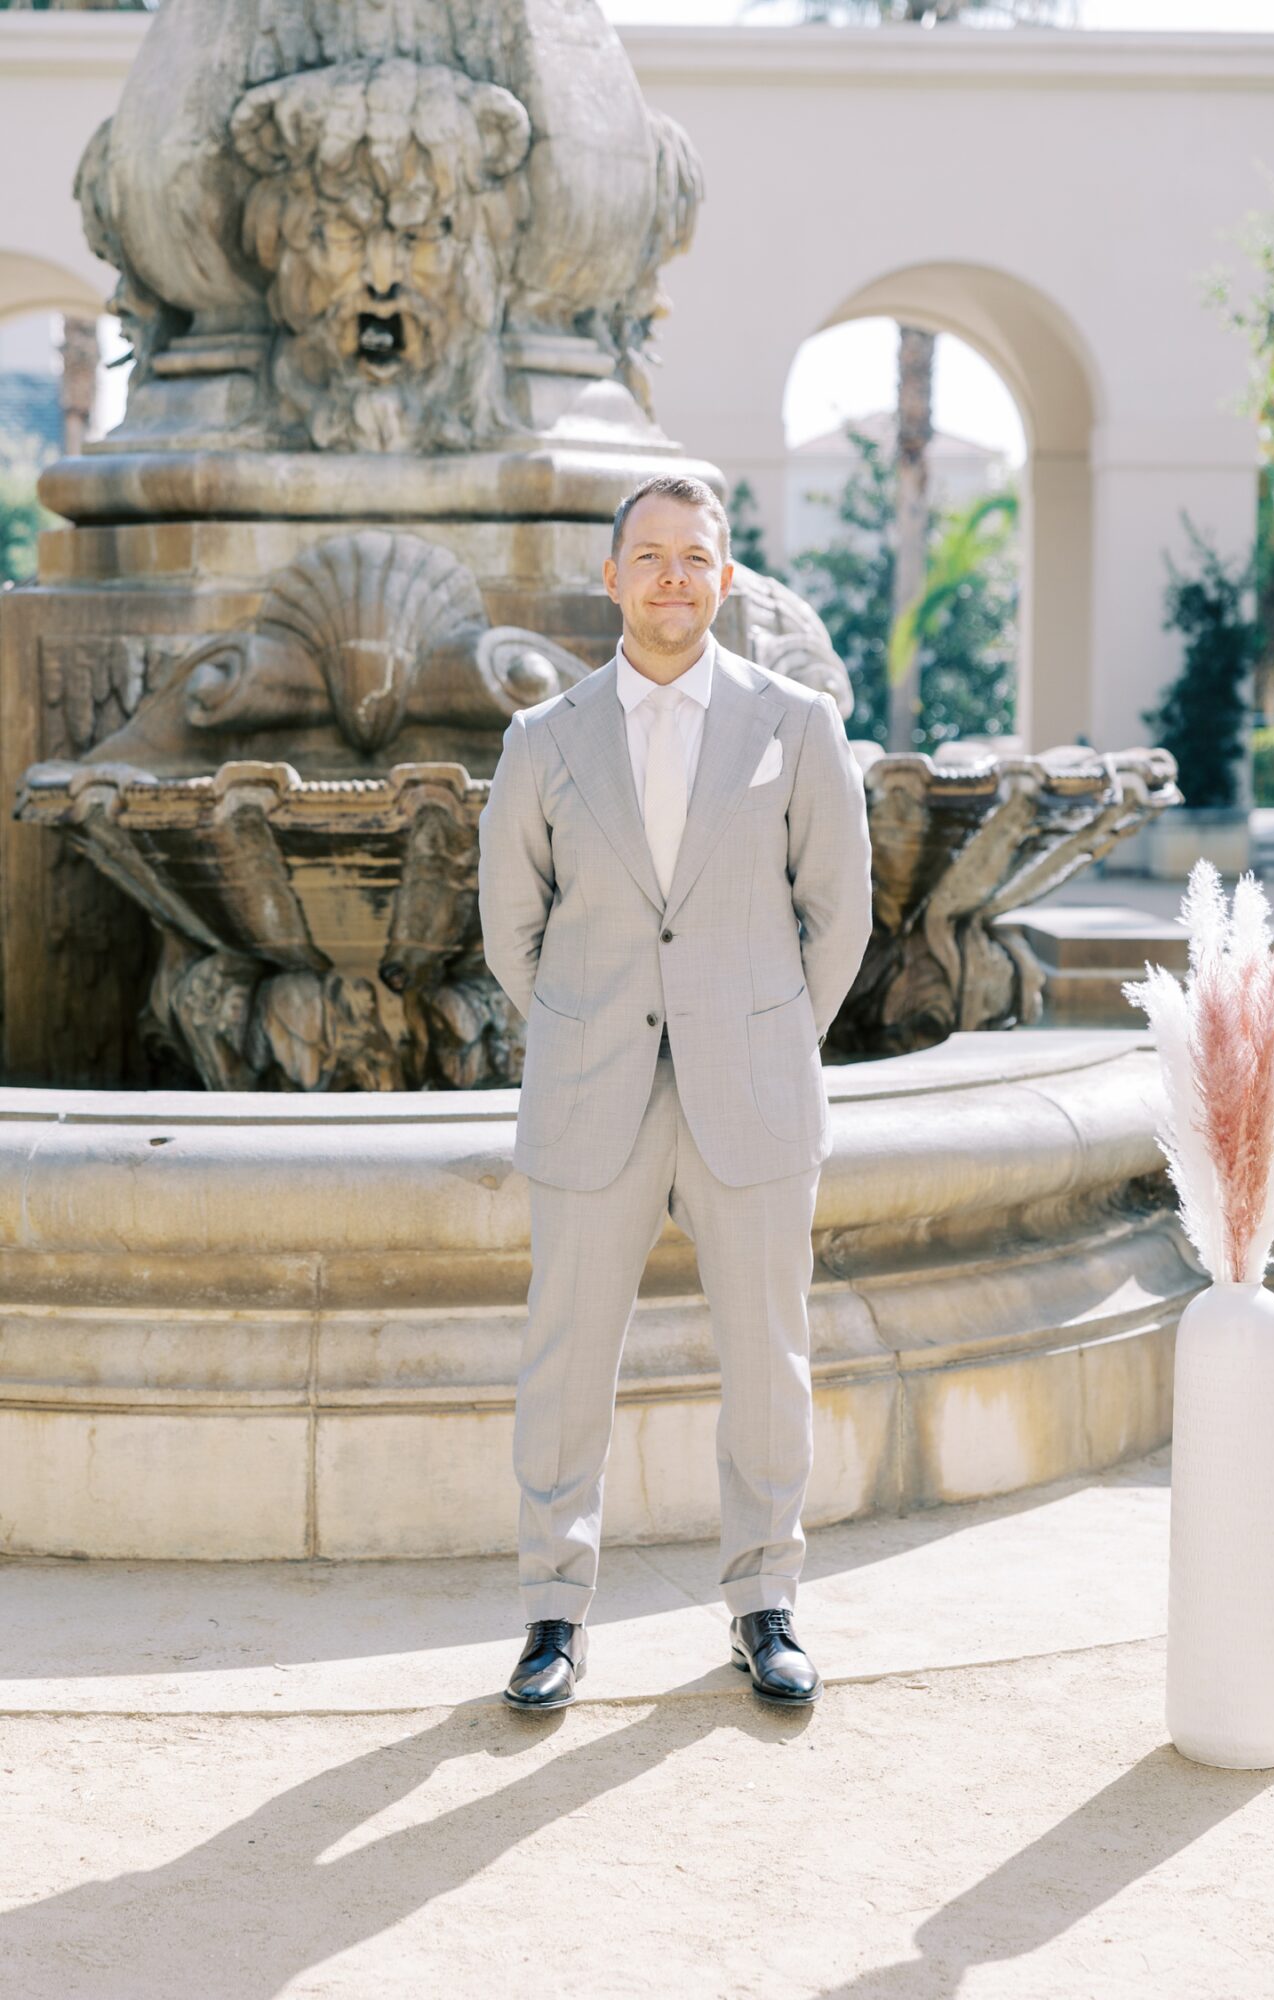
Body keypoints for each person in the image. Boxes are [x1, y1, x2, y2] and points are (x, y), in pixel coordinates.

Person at [477, 473, 873, 1710]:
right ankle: (553, 1612)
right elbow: (511, 933)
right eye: (646, 557)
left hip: (750, 1086)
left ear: (726, 577)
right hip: (592, 1086)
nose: (669, 578)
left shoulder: (795, 724)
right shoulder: (540, 740)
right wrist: (588, 1022)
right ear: (611, 579)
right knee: (564, 1359)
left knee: (769, 1354)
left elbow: (839, 913)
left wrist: (769, 1032)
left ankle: (765, 1600)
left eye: (692, 557)